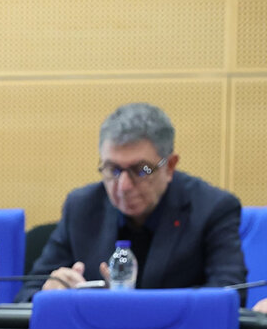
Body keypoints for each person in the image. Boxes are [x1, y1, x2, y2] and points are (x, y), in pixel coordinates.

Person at [26, 103, 245, 298]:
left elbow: (229, 293)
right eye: (113, 169)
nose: (123, 186)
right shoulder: (81, 207)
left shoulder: (213, 208)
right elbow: (26, 296)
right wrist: (51, 292)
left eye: (142, 170)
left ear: (170, 166)